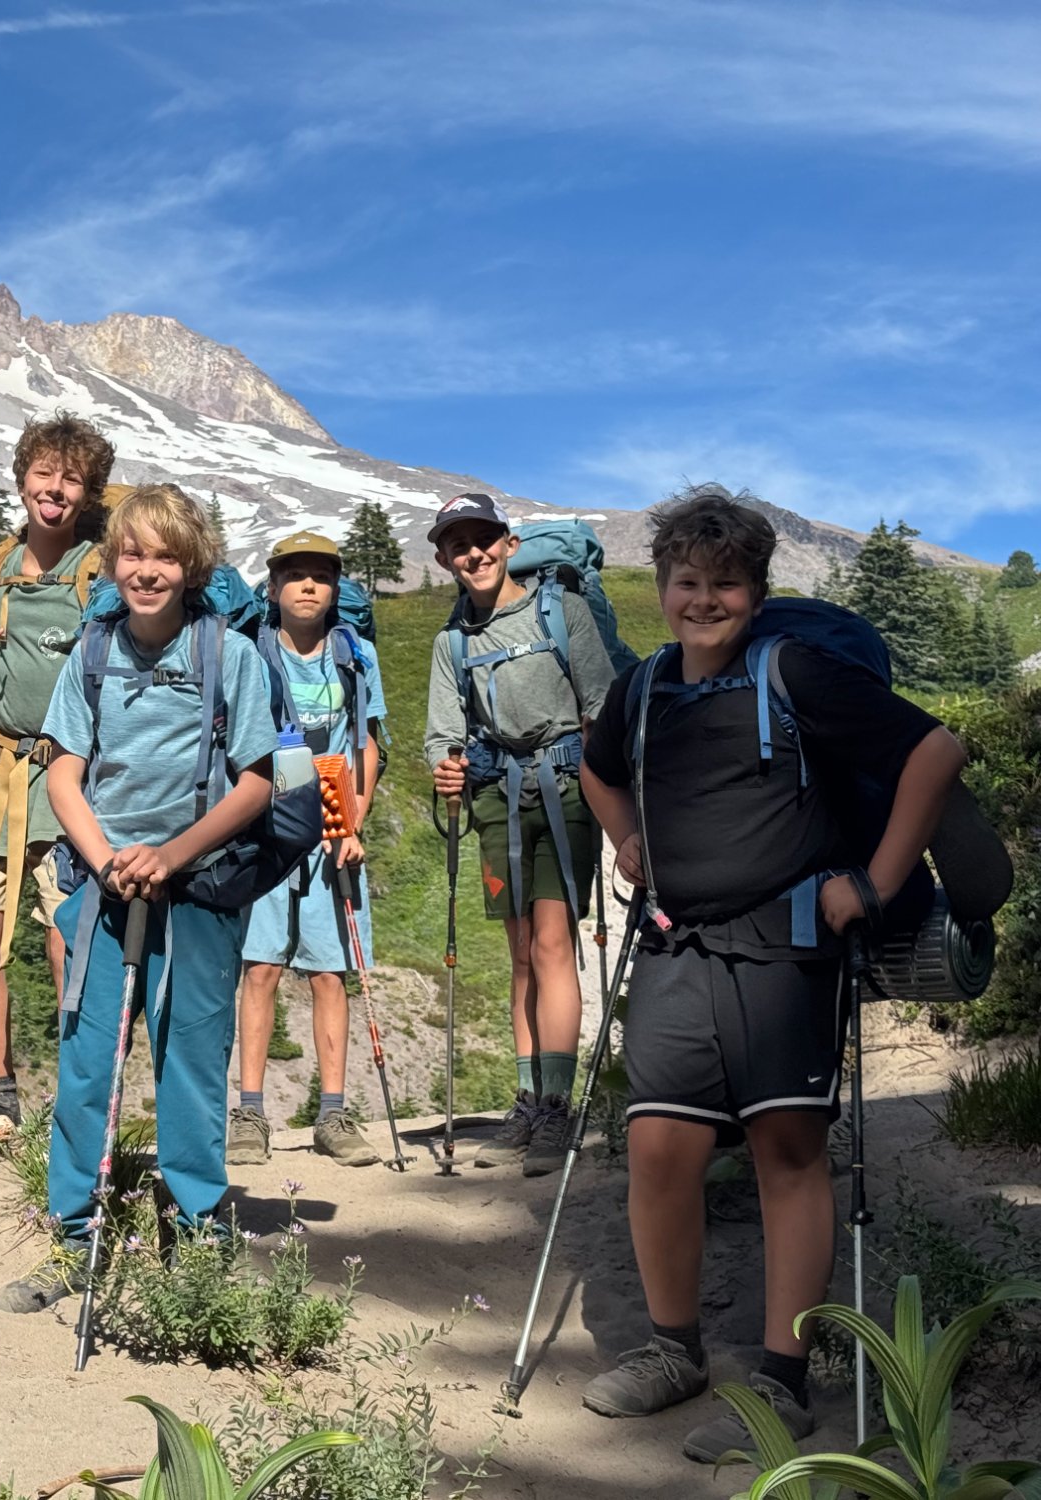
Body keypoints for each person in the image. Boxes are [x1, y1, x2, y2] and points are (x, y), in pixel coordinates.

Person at [578, 489, 964, 1461]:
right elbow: (593, 767)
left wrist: (872, 886)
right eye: (685, 582)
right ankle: (673, 1349)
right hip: (671, 944)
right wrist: (624, 839)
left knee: (784, 1155)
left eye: (724, 583)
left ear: (754, 590)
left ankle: (779, 1384)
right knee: (658, 1151)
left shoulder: (789, 671)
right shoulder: (641, 689)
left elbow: (933, 750)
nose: (702, 599)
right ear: (659, 586)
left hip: (783, 947)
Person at [0, 484, 278, 1313]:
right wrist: (109, 859)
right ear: (112, 562)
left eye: (164, 555)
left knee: (191, 1066)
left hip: (199, 890)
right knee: (87, 1065)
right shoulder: (92, 653)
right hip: (104, 888)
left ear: (191, 565)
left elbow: (256, 783)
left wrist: (172, 855)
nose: (147, 570)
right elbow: (64, 774)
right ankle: (72, 1238)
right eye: (132, 554)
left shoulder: (232, 656)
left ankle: (196, 1243)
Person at [424, 492, 614, 1176]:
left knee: (553, 942)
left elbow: (600, 706)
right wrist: (444, 771)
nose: (471, 553)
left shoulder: (561, 612)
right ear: (443, 559)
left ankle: (558, 1107)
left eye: (481, 540)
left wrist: (615, 806)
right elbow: (443, 734)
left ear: (507, 544)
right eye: (456, 545)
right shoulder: (452, 643)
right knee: (522, 955)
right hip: (497, 803)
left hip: (566, 794)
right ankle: (530, 1100)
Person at [0, 413, 115, 1124]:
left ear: (89, 493)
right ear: (22, 481)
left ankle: (82, 1090)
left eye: (72, 478)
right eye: (45, 473)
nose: (56, 489)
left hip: (70, 780)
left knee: (69, 932)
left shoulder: (99, 573)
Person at [229, 530, 387, 1166]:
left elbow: (367, 742)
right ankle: (249, 1114)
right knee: (261, 967)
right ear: (272, 588)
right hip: (269, 824)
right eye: (293, 575)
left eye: (320, 576)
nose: (308, 585)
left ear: (335, 588)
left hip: (331, 825)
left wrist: (353, 820)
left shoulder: (358, 656)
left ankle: (334, 1114)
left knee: (330, 971)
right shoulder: (251, 652)